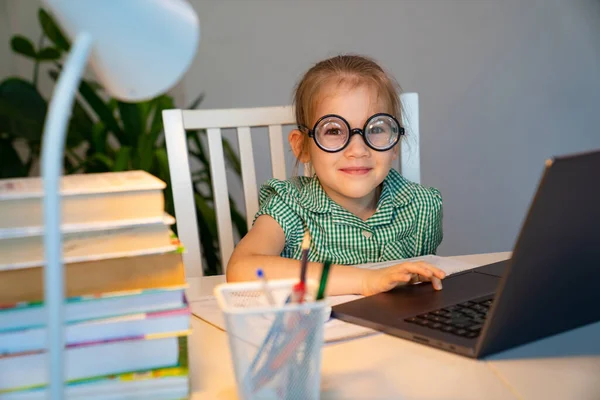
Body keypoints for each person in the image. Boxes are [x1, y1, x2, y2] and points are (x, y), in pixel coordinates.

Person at [226, 54, 445, 296]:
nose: (358, 150)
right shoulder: (289, 205)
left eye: (376, 129)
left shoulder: (422, 206)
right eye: (333, 130)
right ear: (302, 147)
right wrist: (365, 281)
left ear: (394, 144)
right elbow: (241, 269)